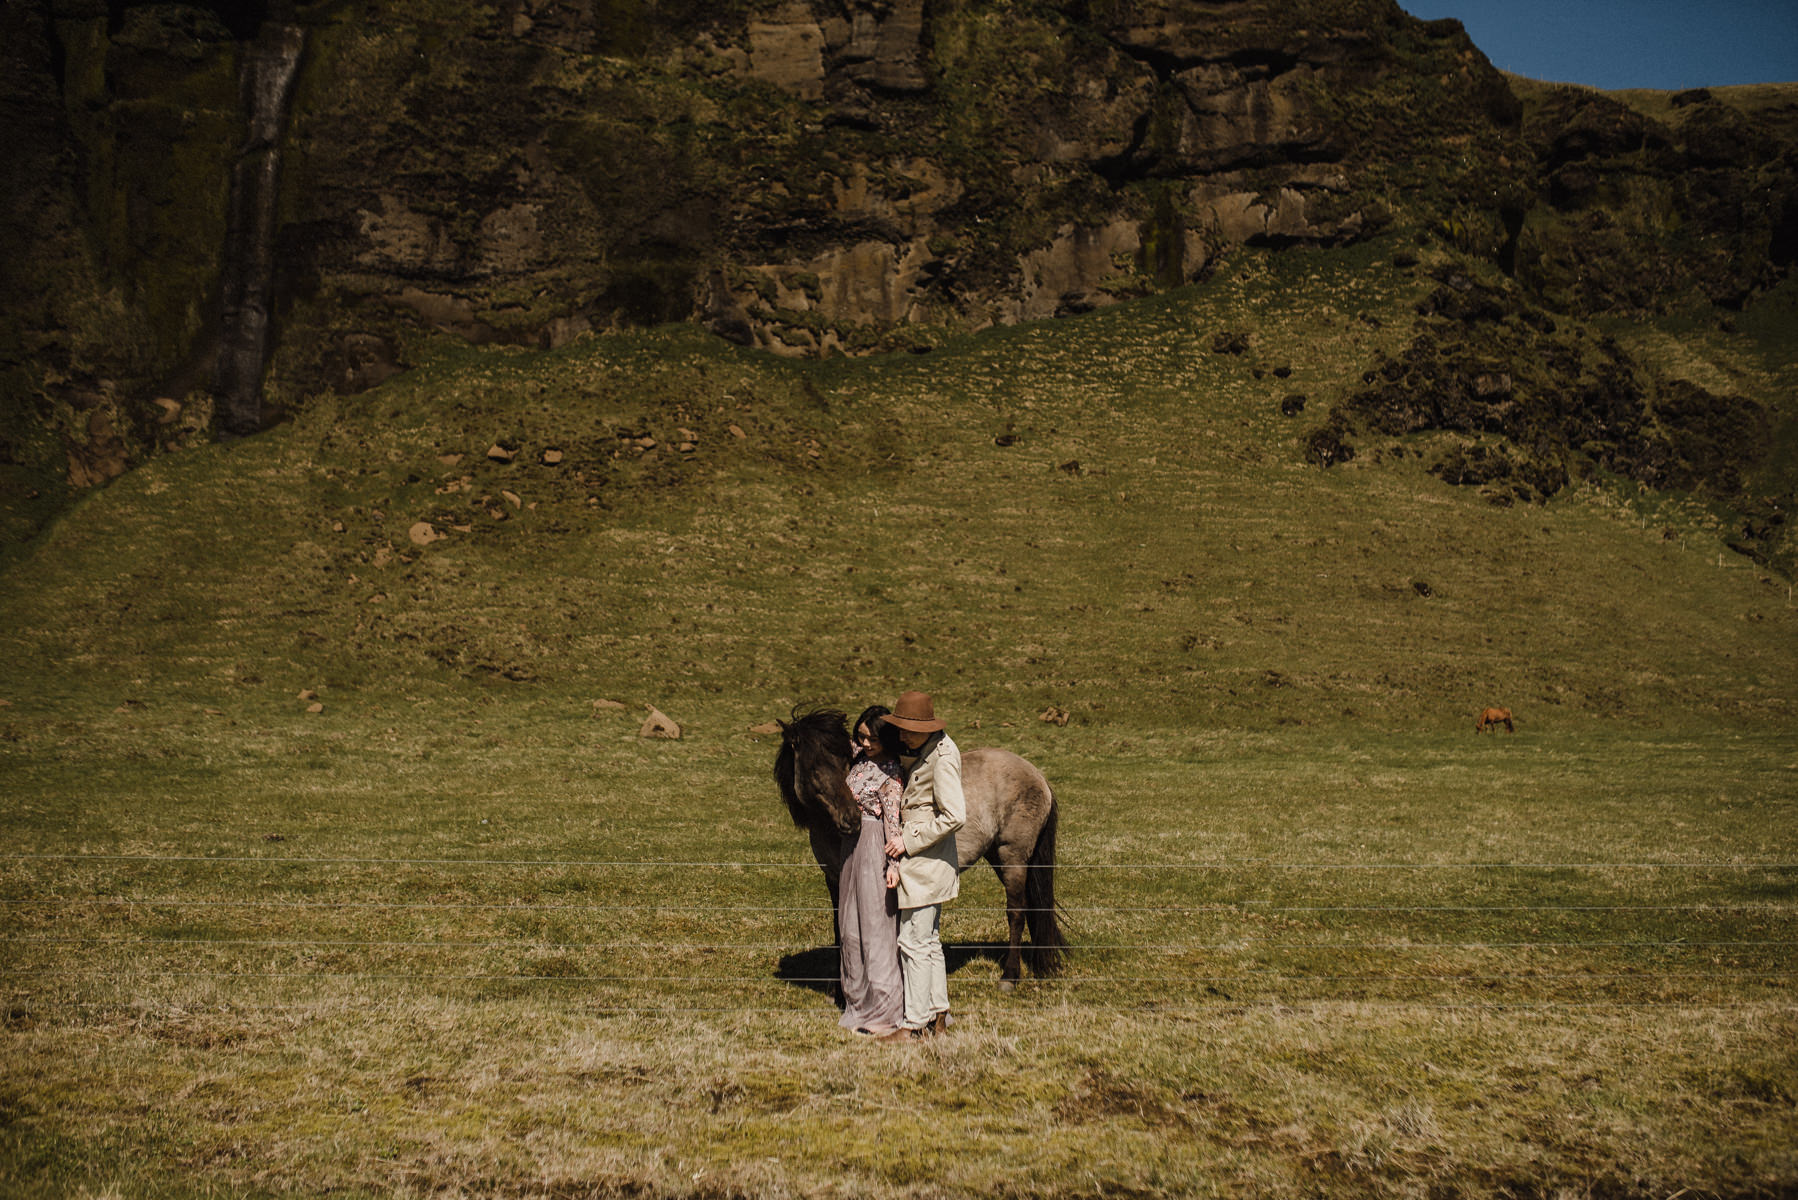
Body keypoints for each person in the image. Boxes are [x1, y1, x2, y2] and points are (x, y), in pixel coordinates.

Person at [879, 690, 965, 1040]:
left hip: (926, 864)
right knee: (928, 941)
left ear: (924, 728)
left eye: (905, 729)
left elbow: (955, 815)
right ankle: (938, 1015)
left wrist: (907, 842)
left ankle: (913, 1024)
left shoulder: (942, 757)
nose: (900, 735)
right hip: (930, 866)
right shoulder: (932, 749)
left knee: (913, 942)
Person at [837, 705, 906, 1035]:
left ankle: (884, 1012)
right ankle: (858, 1001)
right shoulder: (861, 758)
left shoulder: (890, 772)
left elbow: (893, 822)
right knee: (851, 926)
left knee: (877, 929)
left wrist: (893, 865)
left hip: (874, 847)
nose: (864, 743)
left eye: (871, 738)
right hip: (852, 850)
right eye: (860, 736)